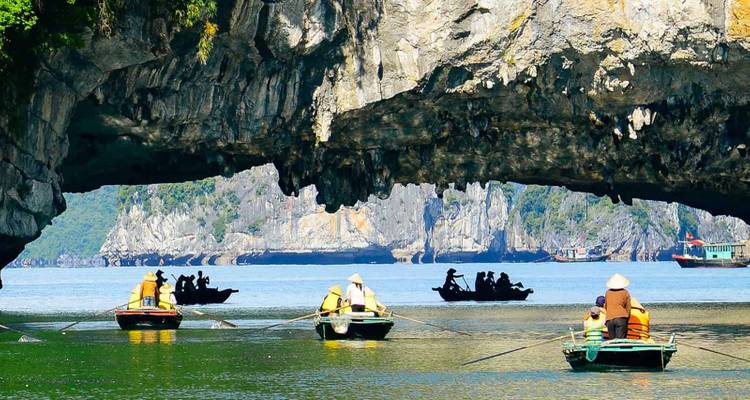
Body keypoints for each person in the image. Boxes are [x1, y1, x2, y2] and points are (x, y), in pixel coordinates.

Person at [604, 273, 631, 340]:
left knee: (612, 341)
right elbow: (628, 308)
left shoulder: (608, 292)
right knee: (620, 340)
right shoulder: (625, 292)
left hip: (609, 319)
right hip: (621, 318)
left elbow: (606, 306)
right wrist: (627, 319)